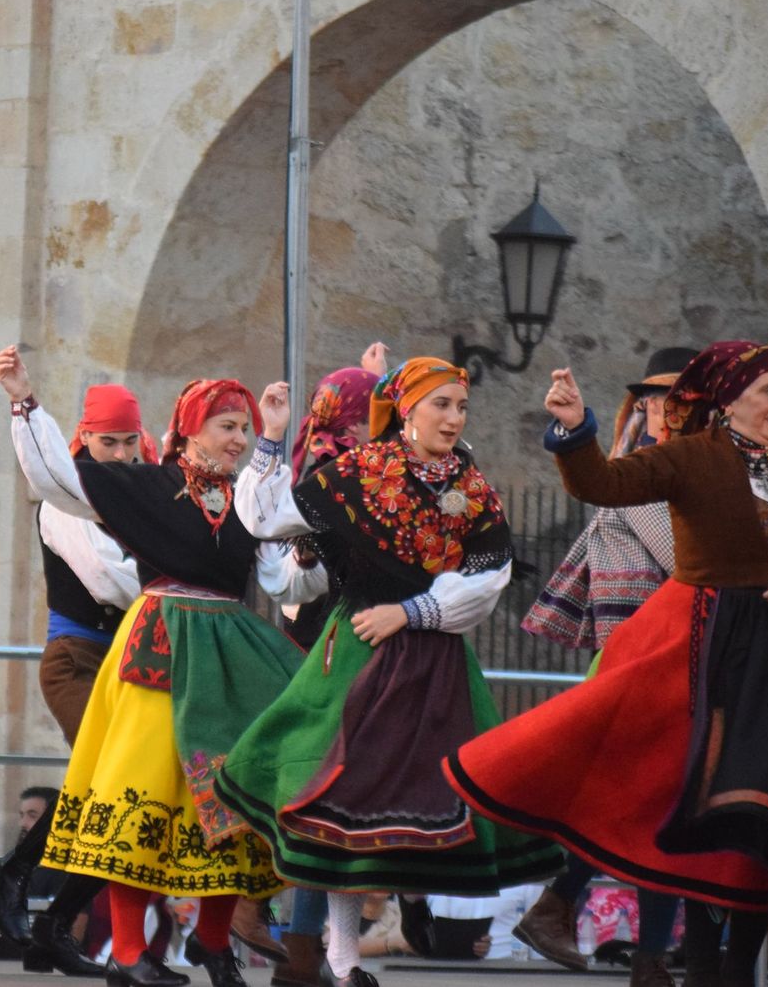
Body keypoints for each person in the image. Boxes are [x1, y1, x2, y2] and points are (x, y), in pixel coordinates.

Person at [444, 340, 768, 987]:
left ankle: (735, 966)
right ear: (728, 401)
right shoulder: (690, 459)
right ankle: (705, 968)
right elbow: (605, 484)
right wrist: (574, 427)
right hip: (709, 647)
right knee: (711, 810)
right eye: (764, 390)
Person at [213, 357, 566, 987]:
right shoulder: (356, 474)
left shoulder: (471, 485)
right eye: (441, 405)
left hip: (433, 661)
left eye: (461, 407)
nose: (454, 418)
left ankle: (373, 935)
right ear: (407, 410)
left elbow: (490, 577)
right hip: (355, 653)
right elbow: (268, 521)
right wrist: (270, 438)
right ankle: (342, 957)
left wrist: (412, 612)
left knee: (413, 801)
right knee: (347, 801)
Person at [0, 346, 327, 987]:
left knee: (230, 801)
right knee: (140, 795)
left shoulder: (245, 501)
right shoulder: (146, 484)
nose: (239, 438)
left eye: (245, 428)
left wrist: (309, 556)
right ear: (192, 428)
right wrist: (24, 402)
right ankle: (126, 951)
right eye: (228, 426)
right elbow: (55, 481)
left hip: (229, 653)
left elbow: (285, 585)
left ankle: (211, 941)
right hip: (160, 645)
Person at [510, 347, 700, 987]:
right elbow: (690, 560)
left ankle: (595, 926)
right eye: (655, 398)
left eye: (679, 400)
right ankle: (581, 918)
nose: (663, 409)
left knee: (654, 803)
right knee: (652, 800)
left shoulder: (655, 465)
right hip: (643, 656)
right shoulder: (641, 471)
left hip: (651, 654)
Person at [0, 380, 157, 980]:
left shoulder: (143, 482)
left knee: (118, 795)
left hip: (130, 664)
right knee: (111, 782)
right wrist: (182, 583)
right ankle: (15, 878)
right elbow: (110, 579)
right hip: (77, 660)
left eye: (130, 441)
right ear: (83, 438)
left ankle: (49, 923)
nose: (122, 453)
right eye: (109, 441)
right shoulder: (64, 498)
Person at [270, 345, 388, 987]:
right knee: (330, 805)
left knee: (338, 807)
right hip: (334, 649)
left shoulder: (320, 459)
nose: (386, 420)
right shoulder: (332, 472)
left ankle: (316, 956)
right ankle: (308, 954)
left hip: (333, 646)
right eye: (375, 408)